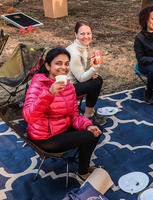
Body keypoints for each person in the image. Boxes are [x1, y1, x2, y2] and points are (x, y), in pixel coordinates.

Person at [23, 47, 102, 181]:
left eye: (66, 64)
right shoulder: (38, 84)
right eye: (58, 63)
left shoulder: (69, 87)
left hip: (62, 128)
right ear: (48, 66)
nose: (63, 67)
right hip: (44, 137)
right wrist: (49, 94)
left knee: (94, 131)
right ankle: (82, 173)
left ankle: (83, 166)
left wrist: (87, 125)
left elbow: (74, 115)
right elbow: (29, 117)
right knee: (89, 137)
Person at [66, 20, 103, 118]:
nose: (86, 37)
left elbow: (80, 71)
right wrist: (94, 68)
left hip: (74, 82)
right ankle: (88, 115)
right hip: (65, 88)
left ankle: (89, 111)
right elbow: (81, 79)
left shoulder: (82, 47)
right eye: (82, 34)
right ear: (76, 35)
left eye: (88, 33)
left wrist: (91, 72)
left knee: (96, 78)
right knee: (97, 82)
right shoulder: (74, 52)